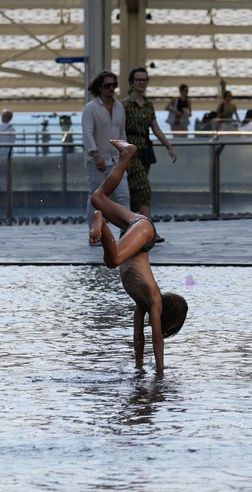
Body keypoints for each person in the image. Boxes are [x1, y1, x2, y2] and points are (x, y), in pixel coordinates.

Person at [88, 139, 188, 373]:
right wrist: (160, 372)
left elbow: (138, 335)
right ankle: (101, 223)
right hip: (143, 231)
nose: (156, 326)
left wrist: (139, 366)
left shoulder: (141, 304)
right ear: (166, 318)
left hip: (138, 228)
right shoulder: (153, 300)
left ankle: (126, 154)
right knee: (113, 260)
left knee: (98, 197)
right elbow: (156, 338)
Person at [122, 67, 177, 243]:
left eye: (144, 80)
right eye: (138, 80)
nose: (142, 83)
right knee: (144, 188)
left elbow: (155, 128)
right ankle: (150, 231)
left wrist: (168, 146)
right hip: (131, 151)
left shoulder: (148, 105)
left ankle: (129, 229)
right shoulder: (125, 105)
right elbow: (119, 129)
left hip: (144, 149)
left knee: (136, 192)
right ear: (131, 82)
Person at [82, 70, 130, 240]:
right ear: (99, 88)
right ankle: (94, 232)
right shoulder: (90, 108)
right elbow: (87, 133)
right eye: (107, 85)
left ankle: (127, 231)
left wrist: (126, 156)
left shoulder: (119, 107)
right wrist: (96, 154)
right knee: (96, 198)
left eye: (113, 85)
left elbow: (121, 133)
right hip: (97, 160)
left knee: (124, 195)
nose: (111, 88)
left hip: (117, 160)